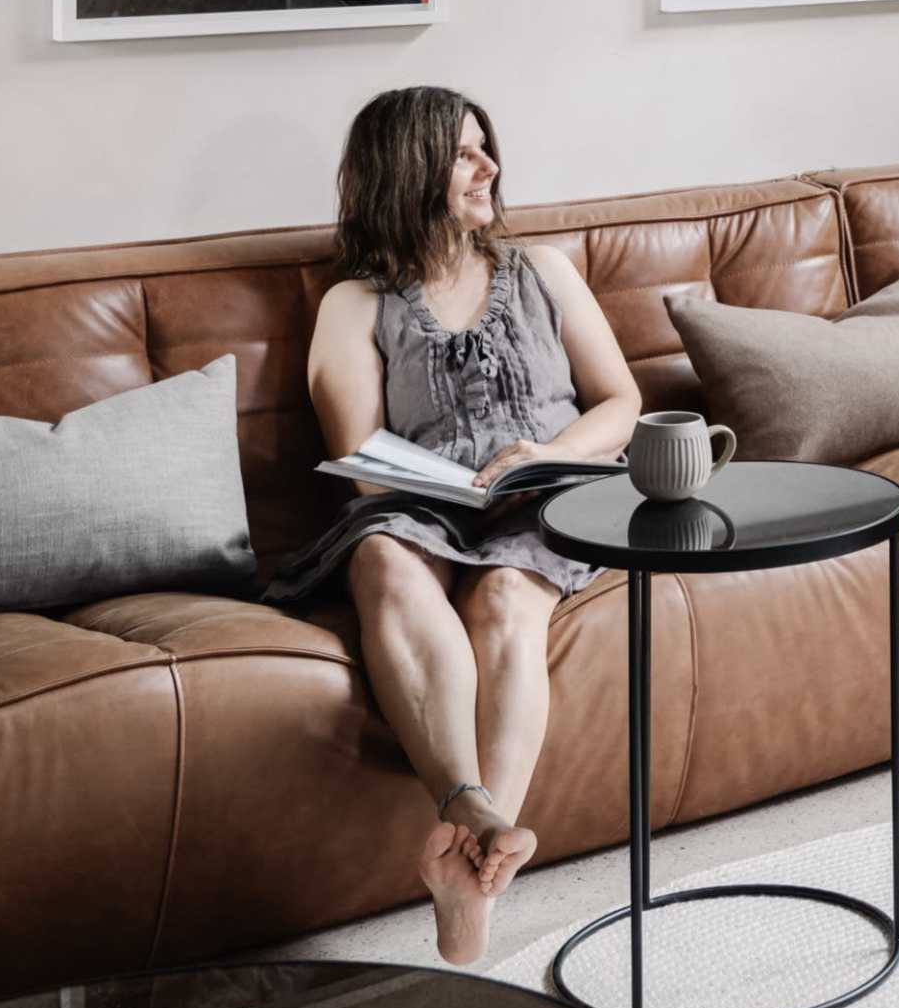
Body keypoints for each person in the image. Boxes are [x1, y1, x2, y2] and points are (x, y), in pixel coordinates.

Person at [268, 87, 642, 961]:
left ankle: (475, 872)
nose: (491, 168)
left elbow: (621, 400)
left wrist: (545, 455)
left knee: (508, 592)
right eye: (466, 154)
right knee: (383, 562)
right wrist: (449, 486)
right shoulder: (355, 304)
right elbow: (359, 454)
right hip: (421, 504)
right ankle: (469, 808)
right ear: (409, 169)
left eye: (487, 149)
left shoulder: (545, 270)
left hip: (555, 490)